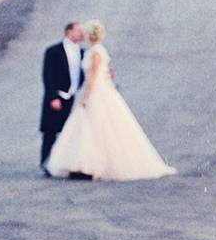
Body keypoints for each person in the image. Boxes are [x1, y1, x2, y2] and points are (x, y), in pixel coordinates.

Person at [46, 20, 177, 181]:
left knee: (95, 127)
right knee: (89, 128)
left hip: (95, 93)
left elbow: (93, 77)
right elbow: (102, 72)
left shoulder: (95, 52)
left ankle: (90, 165)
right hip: (92, 90)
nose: (83, 36)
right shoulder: (93, 51)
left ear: (90, 35)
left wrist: (86, 97)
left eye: (85, 33)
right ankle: (82, 165)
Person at [40, 21, 85, 175]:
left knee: (70, 132)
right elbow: (48, 76)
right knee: (50, 132)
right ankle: (45, 164)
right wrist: (53, 97)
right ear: (69, 32)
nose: (81, 34)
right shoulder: (53, 51)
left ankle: (67, 164)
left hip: (73, 97)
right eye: (78, 31)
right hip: (57, 97)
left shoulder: (83, 52)